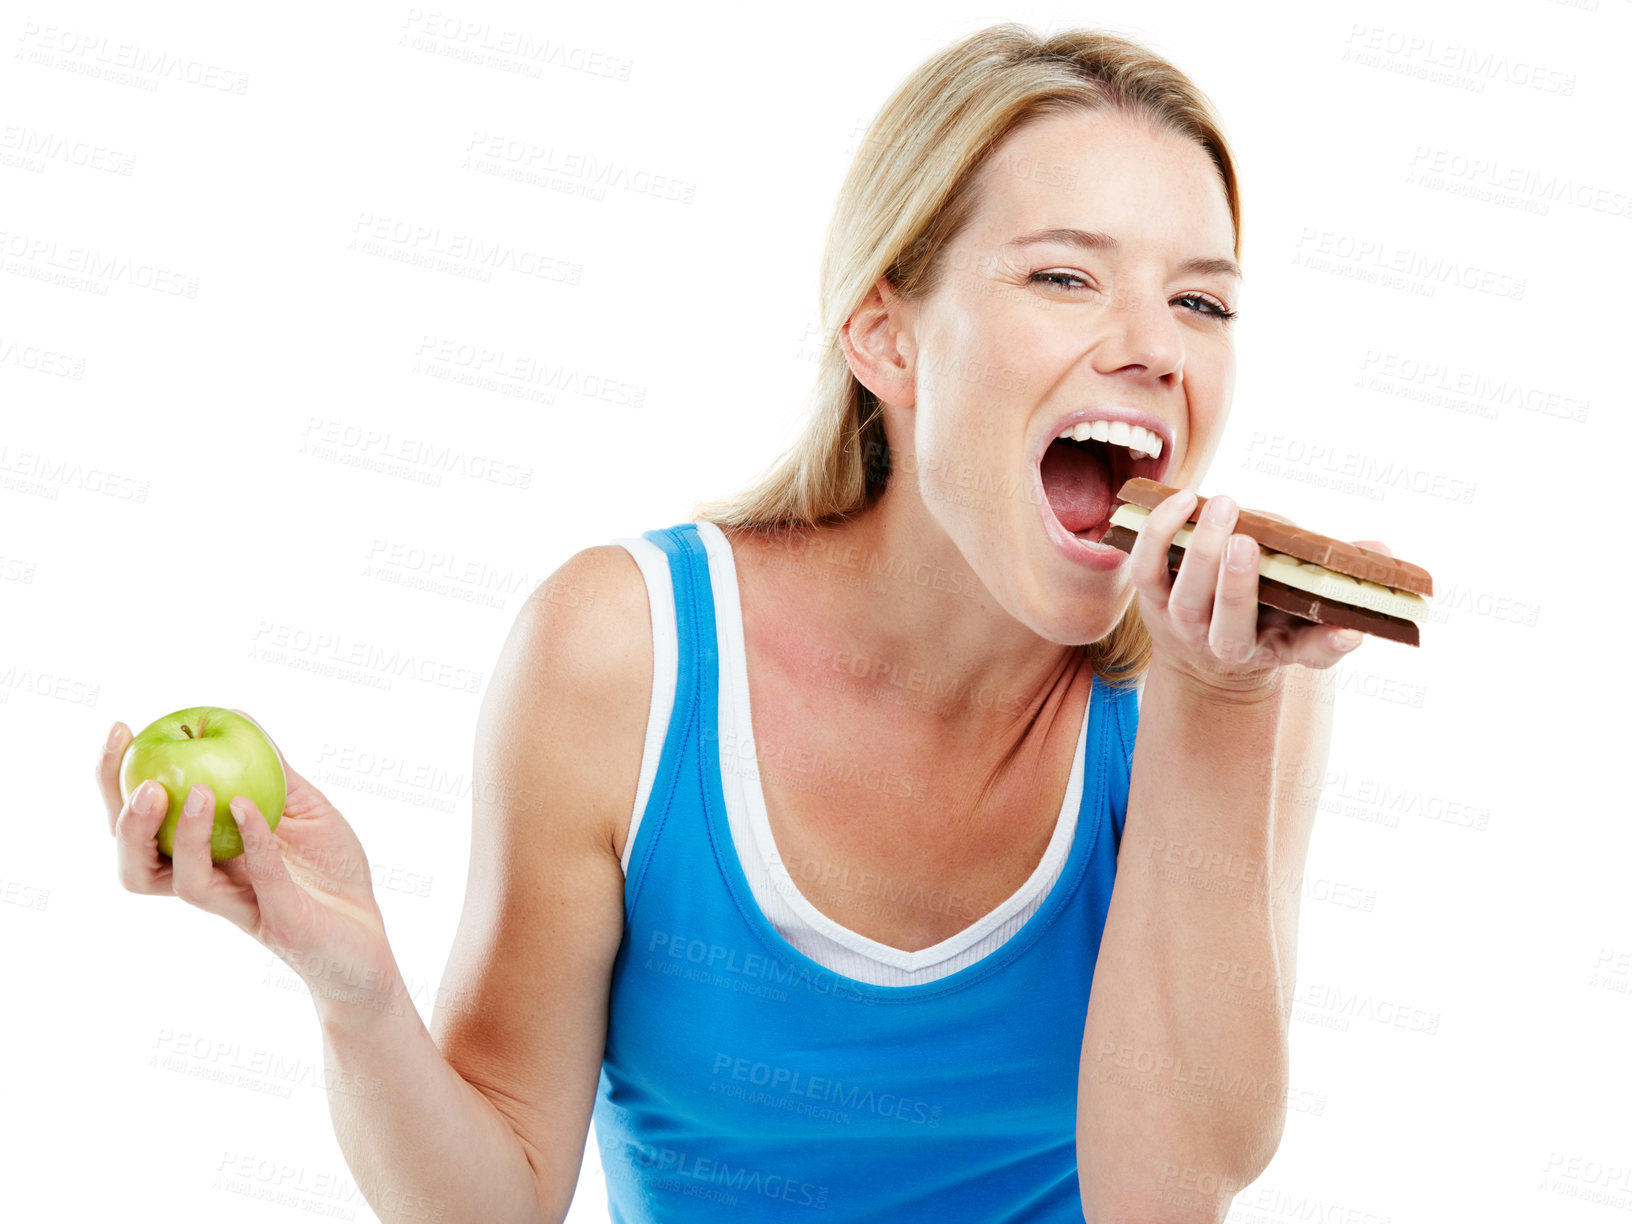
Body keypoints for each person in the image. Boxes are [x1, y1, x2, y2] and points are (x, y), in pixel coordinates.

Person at [101, 23, 1394, 1224]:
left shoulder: (1230, 676)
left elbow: (1165, 1195)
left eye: (1203, 302)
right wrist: (354, 986)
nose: (1155, 347)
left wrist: (1220, 709)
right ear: (884, 335)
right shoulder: (625, 656)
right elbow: (493, 1198)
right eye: (1065, 275)